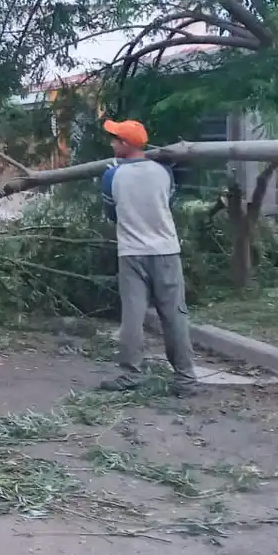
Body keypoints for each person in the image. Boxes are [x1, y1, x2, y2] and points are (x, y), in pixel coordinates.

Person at [99, 118, 200, 393]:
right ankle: (186, 378)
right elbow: (168, 203)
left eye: (115, 139)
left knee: (132, 316)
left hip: (132, 254)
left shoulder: (111, 176)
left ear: (126, 144)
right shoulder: (164, 173)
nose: (111, 143)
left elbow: (111, 214)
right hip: (166, 251)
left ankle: (130, 374)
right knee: (174, 315)